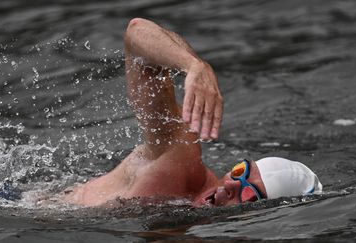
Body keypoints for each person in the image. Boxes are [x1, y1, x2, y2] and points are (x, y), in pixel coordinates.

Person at [63, 18, 322, 207]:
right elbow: (136, 32)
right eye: (240, 172)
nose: (231, 185)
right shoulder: (180, 165)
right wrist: (195, 66)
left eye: (250, 193)